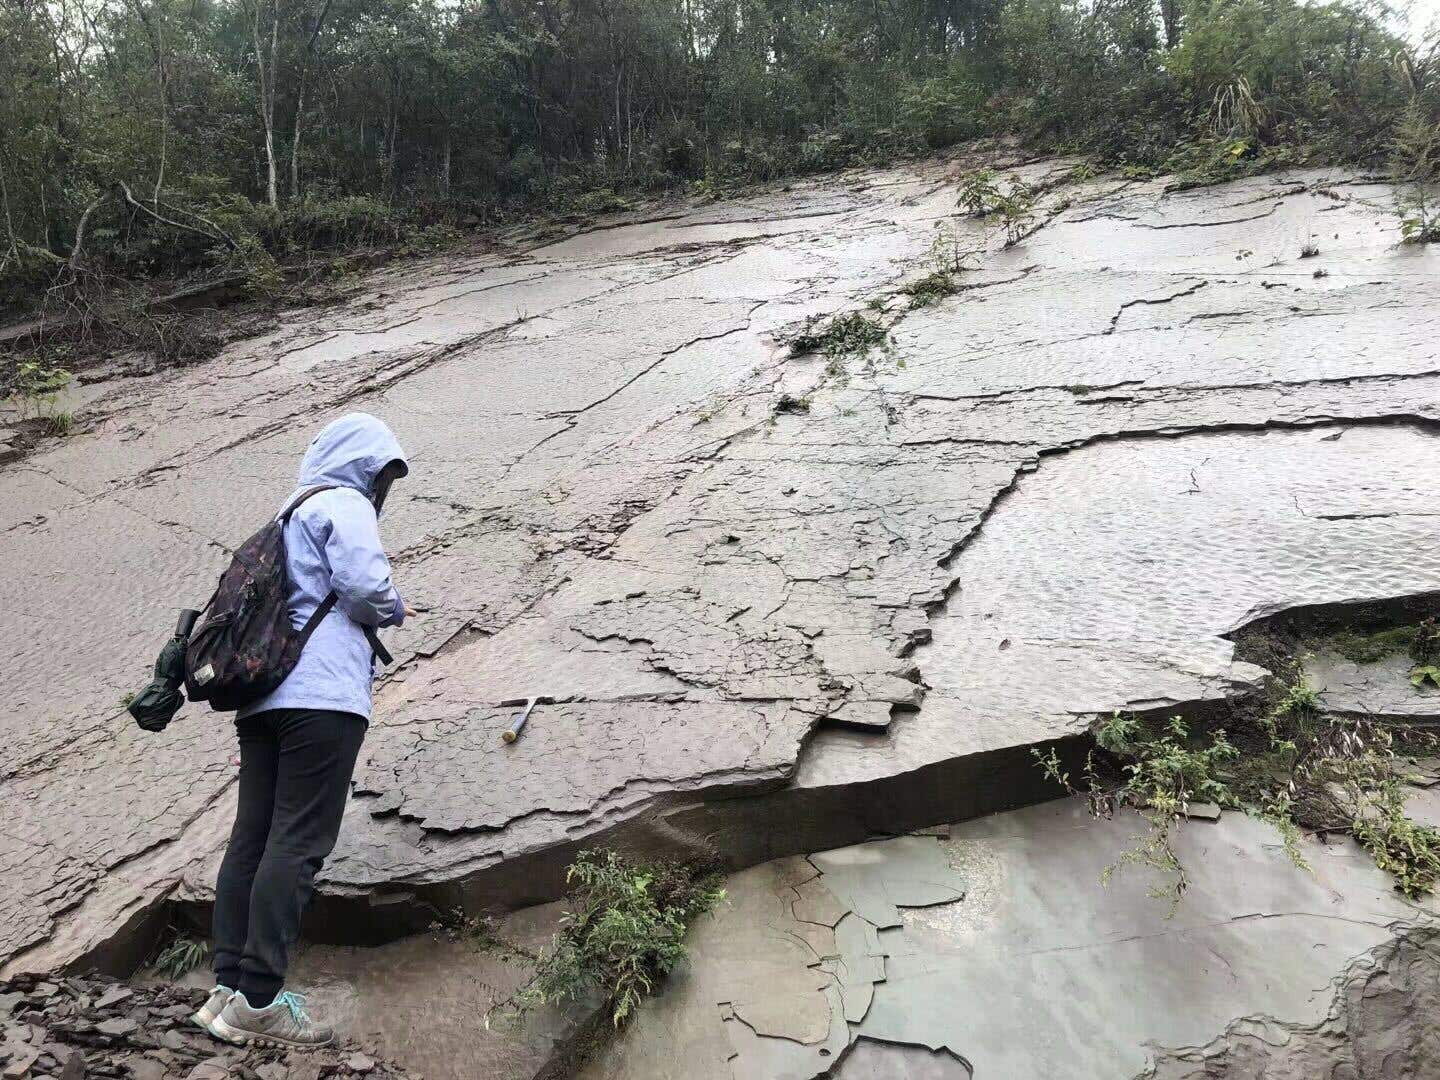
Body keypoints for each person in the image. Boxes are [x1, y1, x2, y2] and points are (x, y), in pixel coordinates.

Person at [193, 412, 413, 1048]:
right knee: (297, 841)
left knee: (253, 839)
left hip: (263, 698)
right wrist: (394, 608)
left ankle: (227, 990)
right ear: (363, 466)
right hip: (323, 699)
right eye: (383, 473)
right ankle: (260, 1000)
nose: (383, 488)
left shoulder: (287, 513)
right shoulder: (343, 503)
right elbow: (367, 586)